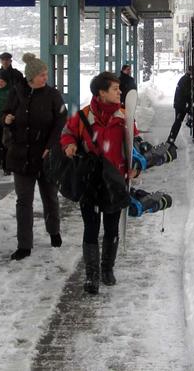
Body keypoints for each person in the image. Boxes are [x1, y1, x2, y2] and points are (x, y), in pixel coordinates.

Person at [61, 71, 134, 294]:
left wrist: (135, 167)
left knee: (111, 227)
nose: (120, 92)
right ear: (101, 93)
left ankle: (107, 269)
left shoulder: (124, 117)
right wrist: (69, 145)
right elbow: (67, 134)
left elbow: (133, 146)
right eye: (115, 89)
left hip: (114, 181)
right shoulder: (83, 115)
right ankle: (91, 276)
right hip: (89, 180)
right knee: (91, 227)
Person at [3, 53, 67, 261]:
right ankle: (24, 244)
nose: (45, 78)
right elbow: (4, 113)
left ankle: (54, 231)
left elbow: (60, 123)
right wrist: (7, 118)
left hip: (45, 156)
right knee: (24, 201)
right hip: (21, 156)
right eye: (41, 75)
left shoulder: (53, 95)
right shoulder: (17, 93)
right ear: (30, 77)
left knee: (50, 196)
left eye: (46, 74)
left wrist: (50, 146)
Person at [167, 72, 191, 145]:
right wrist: (187, 107)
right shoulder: (187, 80)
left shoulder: (185, 79)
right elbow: (187, 94)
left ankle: (171, 140)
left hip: (180, 104)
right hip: (181, 105)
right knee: (177, 123)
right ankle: (170, 141)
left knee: (177, 122)